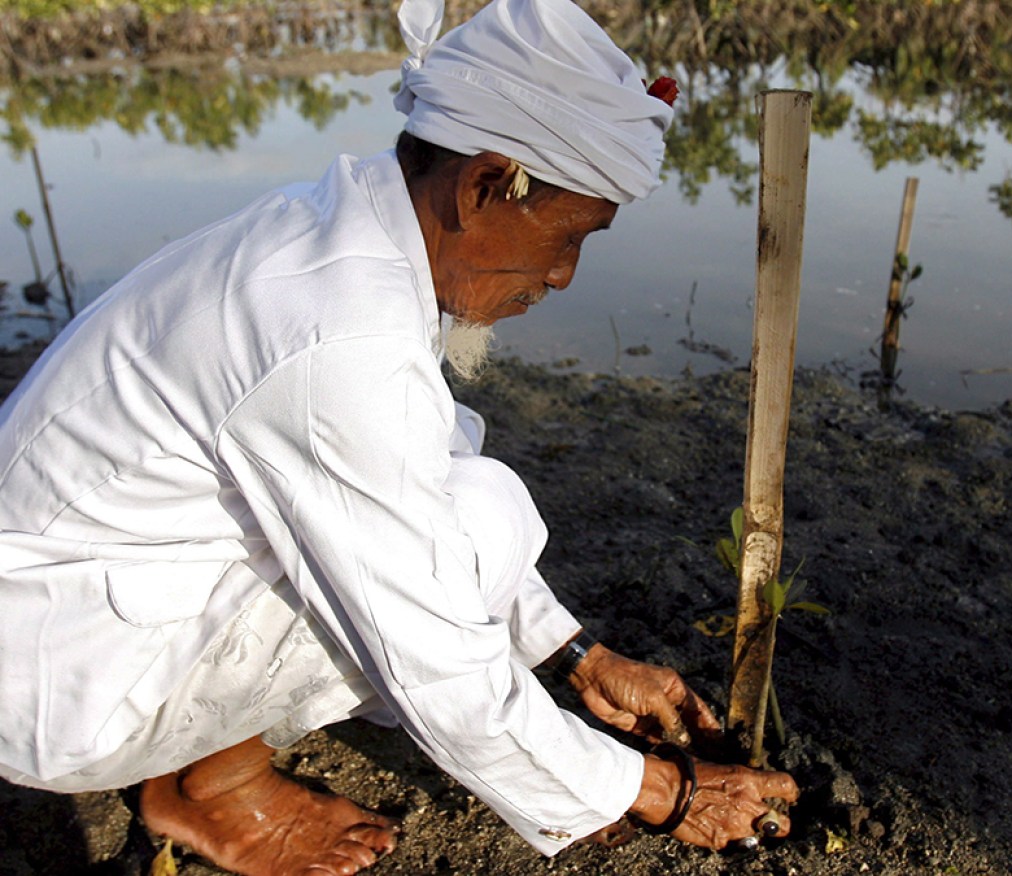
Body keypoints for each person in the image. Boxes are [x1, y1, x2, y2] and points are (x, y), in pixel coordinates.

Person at [0, 0, 798, 873]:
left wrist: (580, 657)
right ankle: (210, 786)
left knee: (472, 508)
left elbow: (431, 476)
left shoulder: (348, 234)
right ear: (486, 184)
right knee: (428, 567)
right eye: (567, 236)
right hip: (52, 680)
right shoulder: (337, 340)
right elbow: (432, 653)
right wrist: (661, 792)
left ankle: (203, 766)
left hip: (79, 609)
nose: (563, 276)